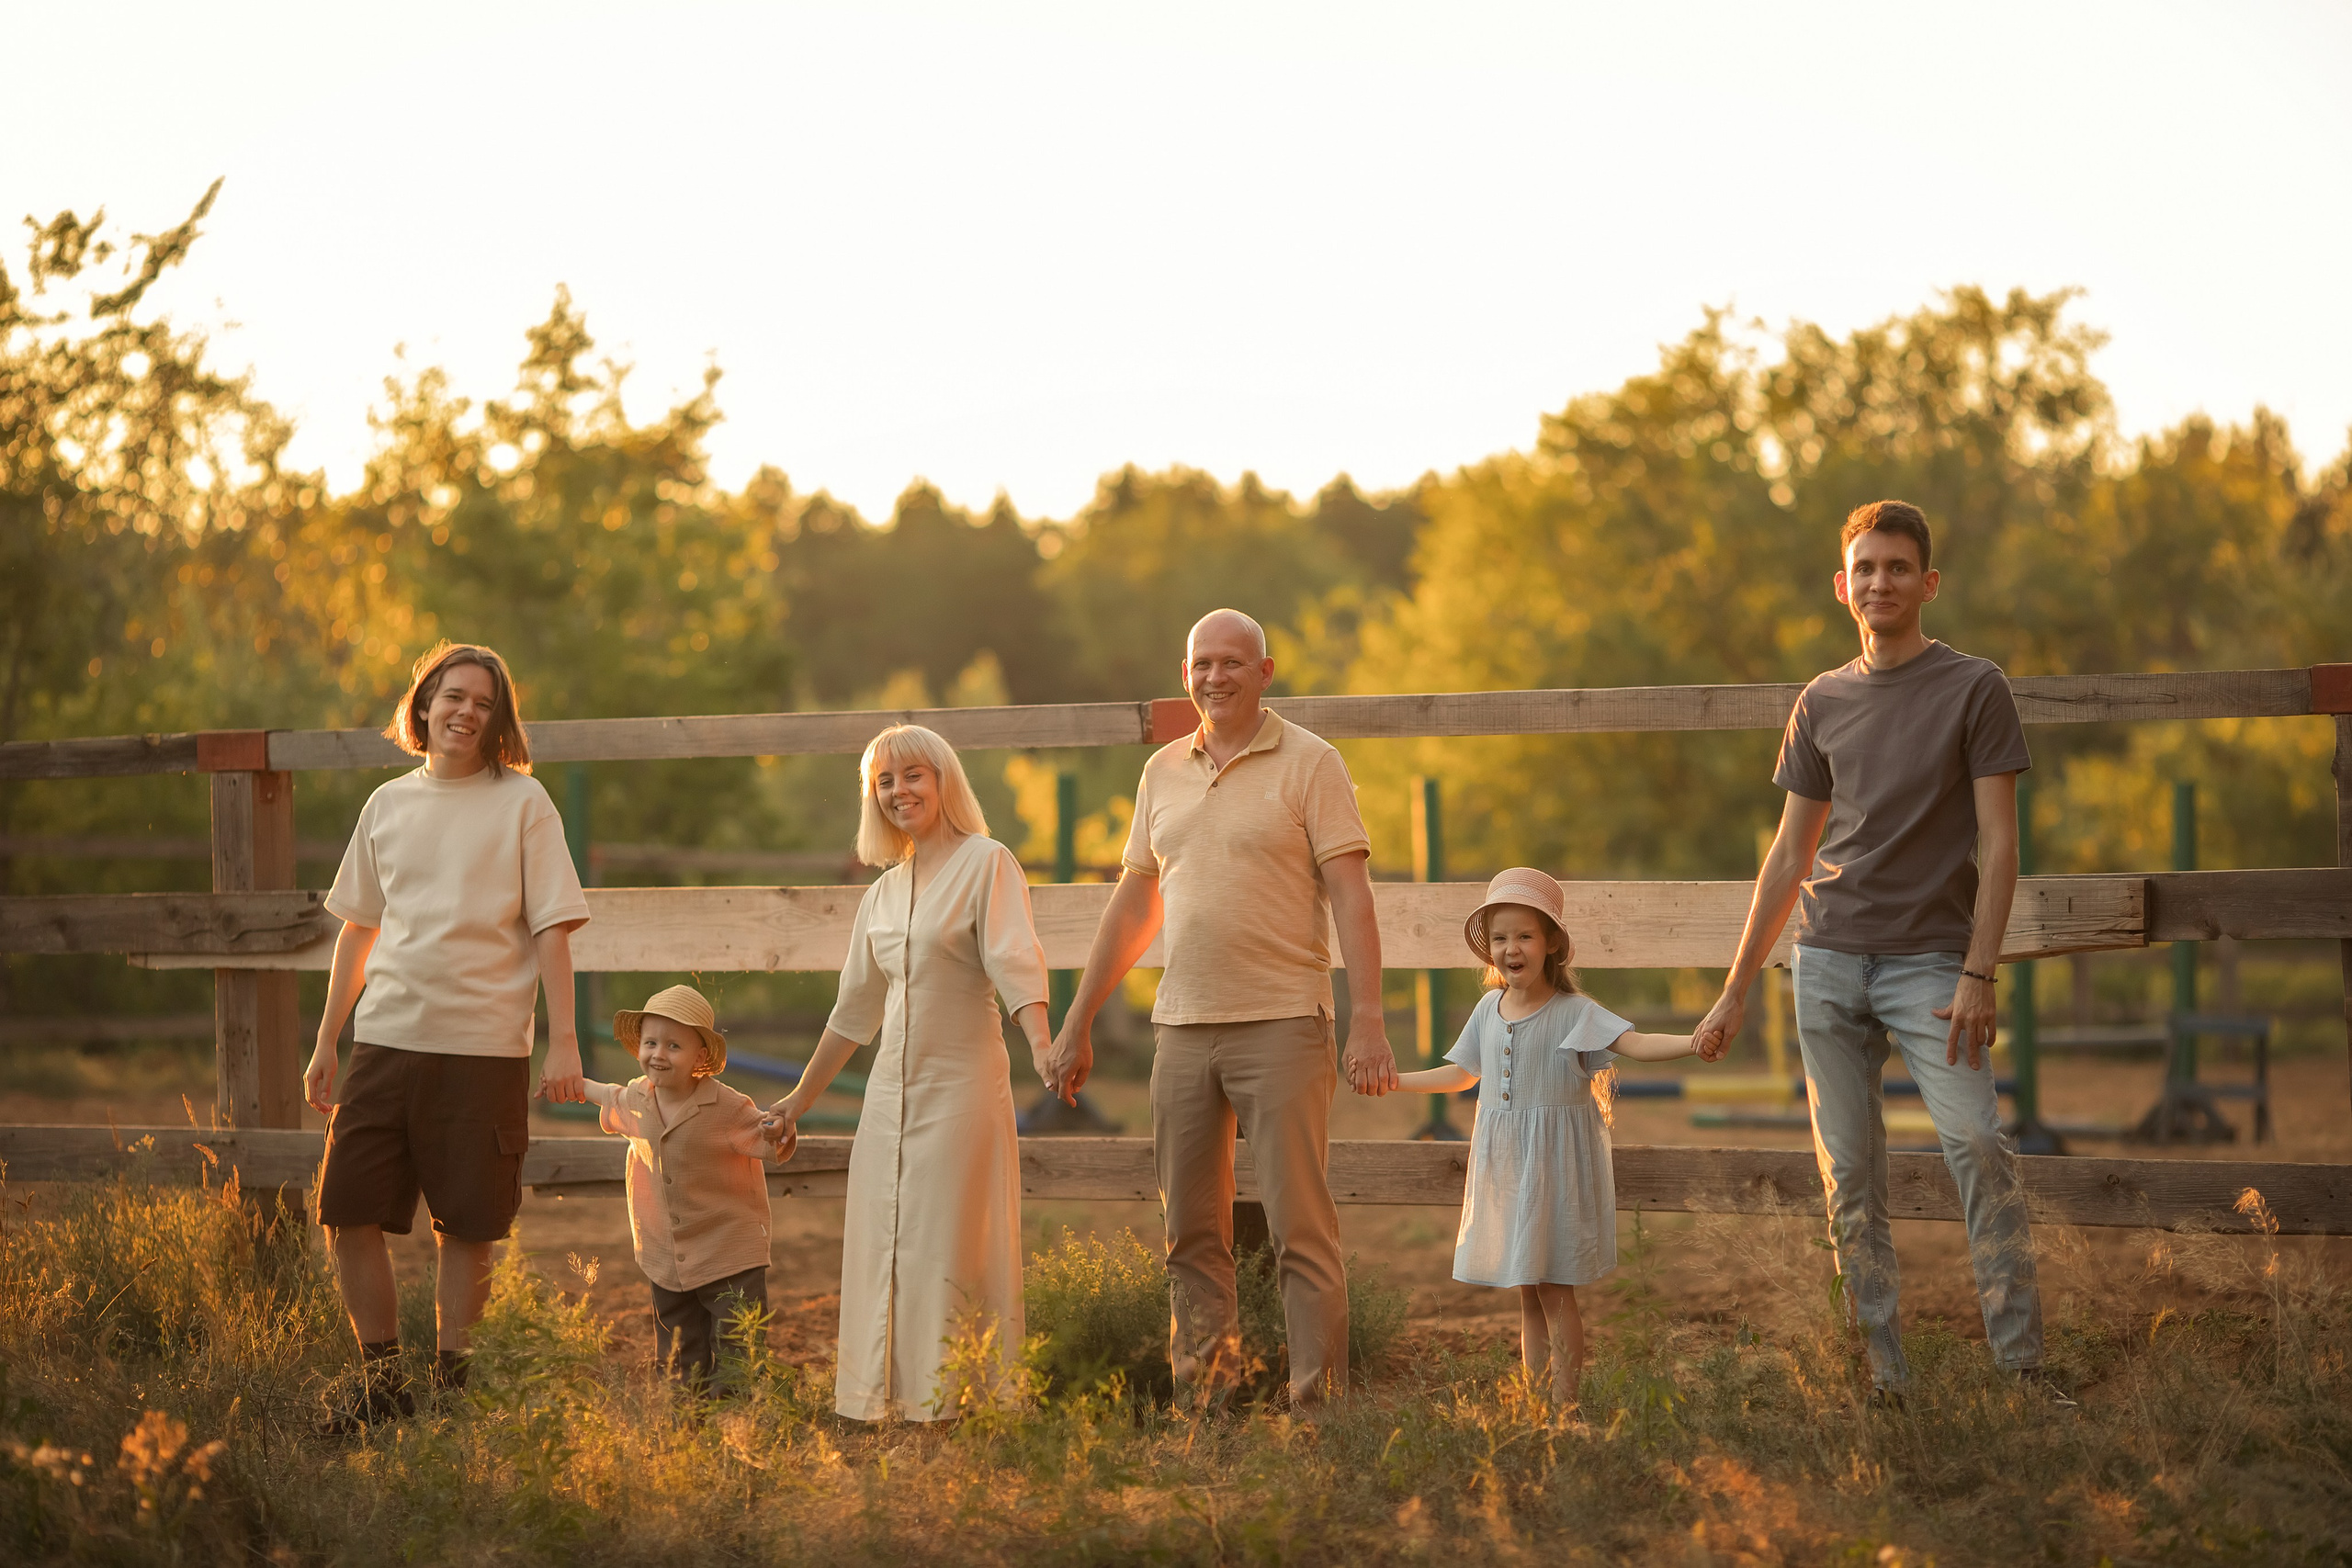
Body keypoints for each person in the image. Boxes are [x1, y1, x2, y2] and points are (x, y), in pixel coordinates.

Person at [1694, 500, 2066, 1409]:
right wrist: (1736, 988)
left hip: (1932, 967)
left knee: (1978, 1144)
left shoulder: (1974, 687)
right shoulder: (1821, 699)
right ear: (1841, 586)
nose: (1879, 583)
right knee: (1848, 1178)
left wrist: (1980, 969)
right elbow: (1788, 855)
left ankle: (2020, 1371)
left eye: (1896, 567)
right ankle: (1882, 1377)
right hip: (1824, 962)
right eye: (1864, 569)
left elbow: (1999, 843)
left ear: (1927, 583)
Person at [1044, 608, 1397, 1411]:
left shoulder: (1313, 763)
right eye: (1203, 663)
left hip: (1283, 1023)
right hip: (1182, 1028)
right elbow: (1134, 905)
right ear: (1185, 674)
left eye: (1233, 662)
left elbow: (1353, 895)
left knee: (1298, 1228)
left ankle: (1319, 1408)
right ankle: (1208, 1407)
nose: (1217, 676)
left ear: (1264, 672)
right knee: (1191, 1234)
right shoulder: (1162, 771)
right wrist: (1078, 1020)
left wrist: (1367, 1016)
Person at [303, 641, 592, 1432]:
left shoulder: (523, 804)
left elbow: (554, 930)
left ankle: (452, 1391)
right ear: (423, 703)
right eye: (453, 695)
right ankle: (383, 1383)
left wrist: (563, 1040)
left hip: (483, 1046)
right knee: (347, 1210)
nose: (466, 711)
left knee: (468, 1224)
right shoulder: (387, 805)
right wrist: (328, 1038)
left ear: (498, 721)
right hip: (384, 1041)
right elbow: (358, 931)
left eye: (484, 702)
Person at [763, 724, 1050, 1422]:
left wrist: (1044, 1047)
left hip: (962, 1085)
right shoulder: (883, 895)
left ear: (944, 779)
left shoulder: (988, 862)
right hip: (888, 1095)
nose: (899, 791)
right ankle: (879, 1397)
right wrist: (798, 1101)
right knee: (882, 1239)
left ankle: (959, 1398)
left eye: (912, 775)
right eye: (884, 781)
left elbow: (1017, 962)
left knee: (949, 1238)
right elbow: (852, 1013)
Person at [1396, 869, 1699, 1409]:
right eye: (1500, 938)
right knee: (1527, 1293)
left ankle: (1567, 1405)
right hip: (1508, 1167)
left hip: (1556, 1170)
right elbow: (1463, 1074)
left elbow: (1637, 1042)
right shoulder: (1487, 1010)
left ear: (1552, 942)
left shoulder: (1574, 1012)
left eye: (1525, 936)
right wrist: (1394, 1081)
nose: (1511, 948)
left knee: (1556, 1291)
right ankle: (1537, 1405)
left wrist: (1695, 1042)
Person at [583, 985, 784, 1393]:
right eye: (651, 1042)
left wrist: (779, 1126)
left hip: (729, 1254)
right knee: (677, 1352)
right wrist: (569, 1082)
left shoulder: (728, 1107)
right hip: (665, 1256)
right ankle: (686, 1427)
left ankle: (734, 1428)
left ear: (701, 1057)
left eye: (674, 1045)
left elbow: (767, 1137)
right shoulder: (638, 1097)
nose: (659, 1053)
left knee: (737, 1347)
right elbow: (608, 1095)